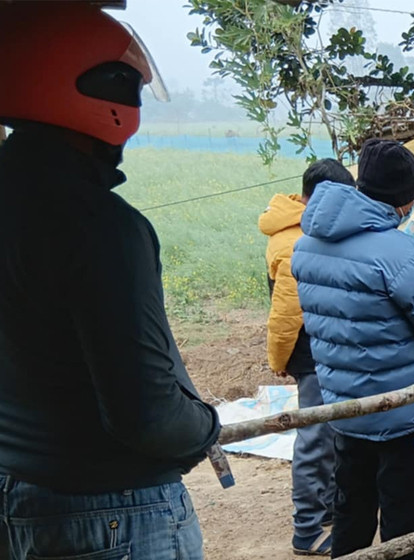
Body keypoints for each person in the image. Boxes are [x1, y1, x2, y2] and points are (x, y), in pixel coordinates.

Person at [0, 4, 220, 558]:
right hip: (111, 512)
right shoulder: (100, 227)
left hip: (20, 489)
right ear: (104, 90)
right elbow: (149, 418)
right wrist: (206, 425)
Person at [291, 139, 414, 559]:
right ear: (404, 199)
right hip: (406, 414)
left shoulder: (307, 245)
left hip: (346, 411)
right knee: (403, 528)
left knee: (350, 518)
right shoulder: (400, 252)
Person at [261, 158, 355, 555]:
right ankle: (307, 529)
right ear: (318, 198)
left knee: (331, 431)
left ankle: (329, 511)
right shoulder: (294, 241)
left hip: (324, 347)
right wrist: (279, 359)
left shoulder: (304, 228)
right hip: (309, 351)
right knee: (315, 436)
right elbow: (285, 313)